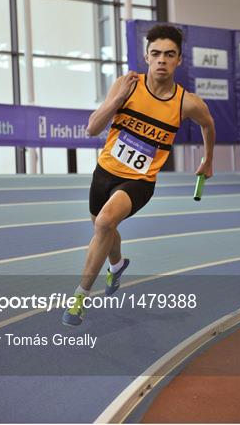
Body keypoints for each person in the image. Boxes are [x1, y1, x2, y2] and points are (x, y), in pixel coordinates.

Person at [62, 24, 215, 326]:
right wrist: (117, 100)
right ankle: (117, 265)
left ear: (179, 60)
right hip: (104, 172)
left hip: (140, 181)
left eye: (169, 55)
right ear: (146, 56)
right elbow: (92, 128)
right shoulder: (127, 84)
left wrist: (207, 160)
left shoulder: (187, 102)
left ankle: (79, 298)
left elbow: (208, 125)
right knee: (104, 229)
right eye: (156, 53)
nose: (162, 60)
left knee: (105, 222)